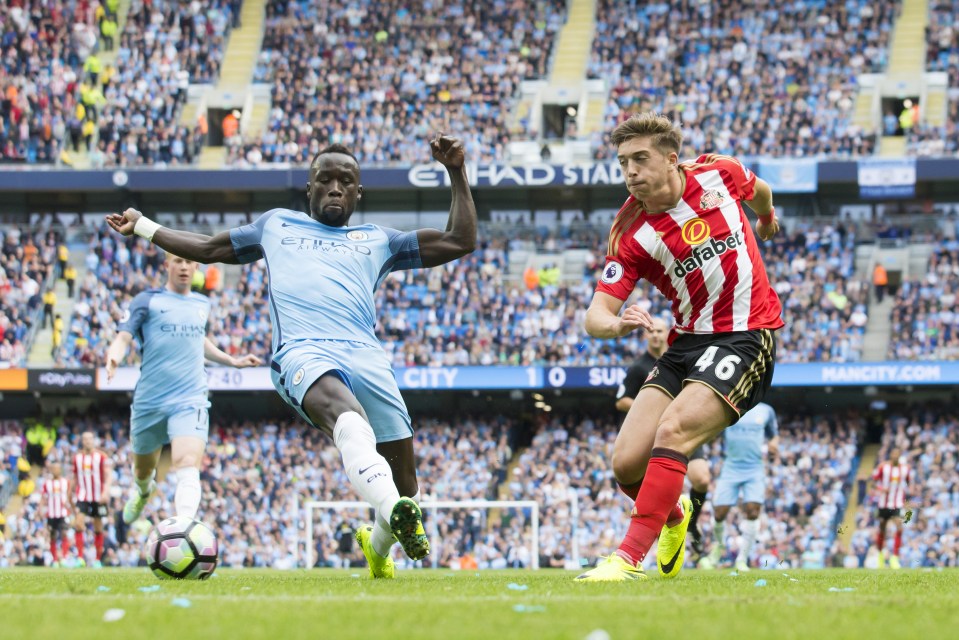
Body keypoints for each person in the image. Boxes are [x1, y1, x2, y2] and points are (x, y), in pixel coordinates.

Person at [105, 134, 477, 579]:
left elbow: (460, 239)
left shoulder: (381, 239)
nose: (335, 188)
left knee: (407, 488)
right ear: (309, 188)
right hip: (303, 351)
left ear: (359, 193)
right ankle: (390, 506)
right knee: (349, 419)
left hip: (367, 357)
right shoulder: (277, 225)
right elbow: (208, 248)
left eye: (346, 181)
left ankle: (379, 545)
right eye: (325, 180)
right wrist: (143, 225)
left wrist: (455, 170)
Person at [575, 112, 783, 582]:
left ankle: (626, 560)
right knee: (626, 464)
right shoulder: (630, 233)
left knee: (673, 432)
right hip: (686, 342)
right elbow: (595, 316)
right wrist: (615, 326)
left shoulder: (718, 173)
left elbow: (761, 190)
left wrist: (766, 217)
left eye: (640, 159)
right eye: (623, 162)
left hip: (748, 335)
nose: (630, 171)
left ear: (671, 159)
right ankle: (673, 516)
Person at [105, 253, 262, 526]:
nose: (184, 266)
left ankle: (185, 527)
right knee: (143, 471)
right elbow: (123, 336)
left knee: (187, 462)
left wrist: (231, 360)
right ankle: (143, 491)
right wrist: (114, 357)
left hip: (190, 397)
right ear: (167, 265)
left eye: (189, 262)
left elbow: (198, 339)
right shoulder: (147, 300)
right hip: (149, 400)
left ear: (196, 267)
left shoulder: (202, 303)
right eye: (178, 260)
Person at [615, 317, 713, 557]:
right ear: (646, 336)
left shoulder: (681, 358)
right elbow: (621, 400)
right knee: (644, 480)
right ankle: (671, 521)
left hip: (681, 425)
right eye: (652, 332)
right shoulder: (639, 368)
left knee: (701, 479)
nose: (656, 335)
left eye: (660, 331)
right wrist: (651, 410)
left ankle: (690, 523)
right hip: (654, 433)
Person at [705, 402, 778, 571]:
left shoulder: (766, 410)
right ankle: (720, 545)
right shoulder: (729, 406)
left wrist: (773, 444)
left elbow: (774, 435)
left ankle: (742, 559)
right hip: (731, 467)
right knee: (719, 513)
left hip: (754, 468)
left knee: (753, 511)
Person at [72, 431, 113, 567]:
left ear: (94, 440)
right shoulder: (77, 458)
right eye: (85, 439)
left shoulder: (101, 456)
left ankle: (97, 559)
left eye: (90, 439)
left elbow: (108, 476)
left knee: (98, 526)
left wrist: (105, 493)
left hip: (98, 496)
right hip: (82, 495)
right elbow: (75, 478)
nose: (88, 441)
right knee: (78, 523)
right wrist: (69, 493)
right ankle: (80, 558)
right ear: (82, 441)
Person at [871, 446, 912, 569]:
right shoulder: (883, 467)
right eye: (893, 454)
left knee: (899, 527)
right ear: (890, 455)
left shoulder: (905, 469)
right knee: (882, 529)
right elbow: (873, 482)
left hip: (897, 504)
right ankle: (880, 556)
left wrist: (907, 499)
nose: (895, 456)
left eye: (897, 454)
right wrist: (881, 489)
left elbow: (909, 483)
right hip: (883, 504)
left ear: (900, 455)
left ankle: (895, 558)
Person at [40, 461, 72, 567]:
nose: (55, 470)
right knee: (52, 535)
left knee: (64, 533)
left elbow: (69, 497)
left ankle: (64, 557)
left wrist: (72, 508)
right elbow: (43, 498)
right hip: (51, 513)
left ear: (60, 470)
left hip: (62, 513)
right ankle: (54, 559)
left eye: (57, 468)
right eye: (53, 468)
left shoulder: (65, 482)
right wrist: (40, 509)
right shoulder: (47, 483)